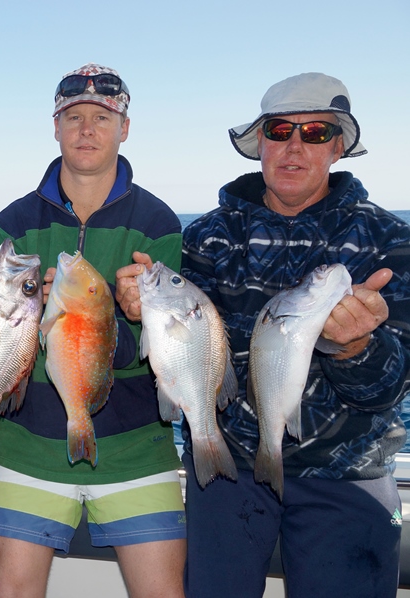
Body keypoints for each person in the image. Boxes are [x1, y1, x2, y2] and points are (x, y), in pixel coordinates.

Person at [117, 72, 410, 597]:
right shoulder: (208, 236)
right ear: (260, 144)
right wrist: (139, 312)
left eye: (316, 133)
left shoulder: (391, 242)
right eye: (279, 131)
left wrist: (358, 348)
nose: (294, 147)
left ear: (338, 146)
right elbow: (177, 357)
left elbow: (391, 387)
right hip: (229, 476)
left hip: (347, 477)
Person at [0, 63, 187, 598]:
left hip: (137, 448)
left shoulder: (158, 223)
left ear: (124, 129)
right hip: (28, 446)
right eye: (74, 118)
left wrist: (132, 317)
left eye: (102, 118)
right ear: (56, 127)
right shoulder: (16, 221)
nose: (87, 130)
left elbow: (165, 350)